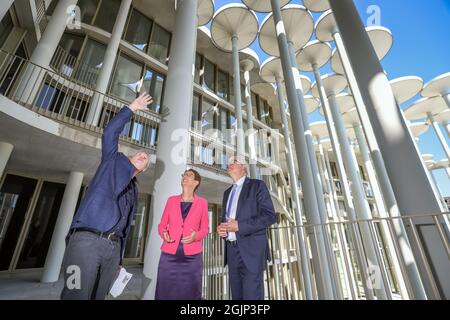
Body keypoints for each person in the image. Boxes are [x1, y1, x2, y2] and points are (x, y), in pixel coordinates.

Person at [61, 93, 154, 300]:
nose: (142, 155)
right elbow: (110, 132)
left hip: (112, 251)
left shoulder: (134, 188)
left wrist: (119, 258)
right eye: (139, 153)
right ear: (129, 157)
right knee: (75, 293)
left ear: (144, 169)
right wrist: (133, 107)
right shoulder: (112, 161)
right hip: (86, 240)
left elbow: (126, 222)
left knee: (98, 296)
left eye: (145, 158)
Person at [217, 156, 276, 300]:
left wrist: (240, 226)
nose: (229, 164)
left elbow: (269, 216)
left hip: (252, 250)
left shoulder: (257, 185)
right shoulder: (227, 193)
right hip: (231, 250)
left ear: (244, 168)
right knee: (237, 296)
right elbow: (226, 219)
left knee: (252, 295)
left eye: (234, 162)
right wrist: (223, 229)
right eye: (228, 163)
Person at [155, 169, 209, 300]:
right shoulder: (171, 200)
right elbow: (162, 224)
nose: (185, 176)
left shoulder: (202, 203)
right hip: (169, 255)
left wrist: (195, 236)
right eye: (184, 175)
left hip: (192, 257)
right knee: (165, 289)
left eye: (189, 175)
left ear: (196, 182)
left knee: (190, 291)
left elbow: (205, 229)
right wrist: (164, 233)